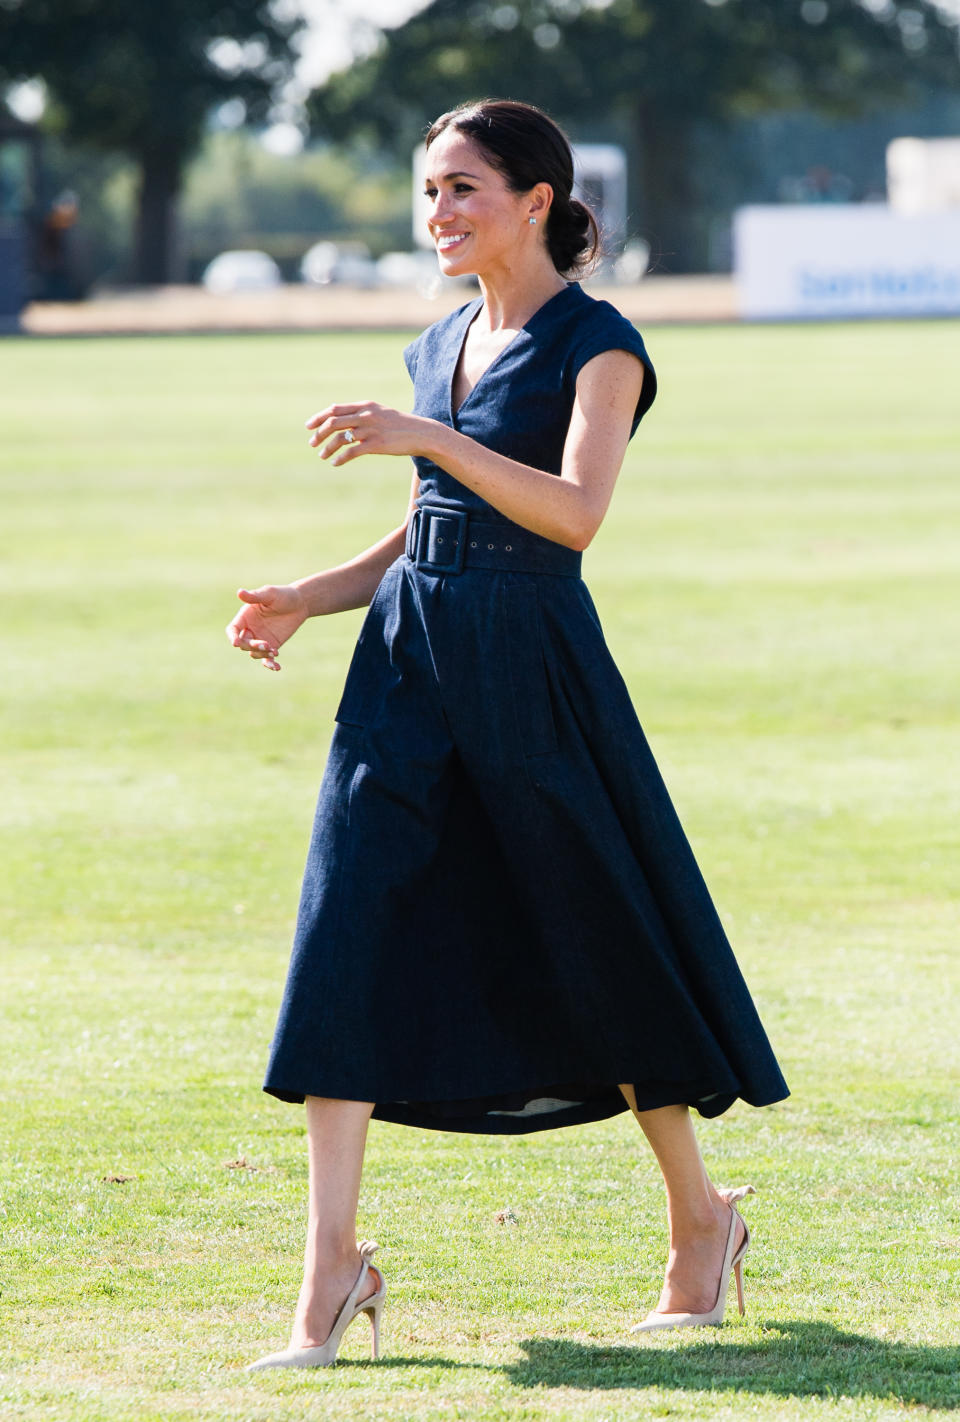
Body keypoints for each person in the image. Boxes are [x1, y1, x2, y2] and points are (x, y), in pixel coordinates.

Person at [228, 99, 789, 1371]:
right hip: (406, 670)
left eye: (464, 189)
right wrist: (310, 598)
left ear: (538, 200)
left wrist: (426, 437)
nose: (439, 214)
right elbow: (432, 518)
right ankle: (330, 1270)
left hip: (534, 671)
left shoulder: (604, 346)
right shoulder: (440, 340)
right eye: (430, 191)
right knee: (346, 929)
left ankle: (702, 1221)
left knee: (599, 930)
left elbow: (573, 515)